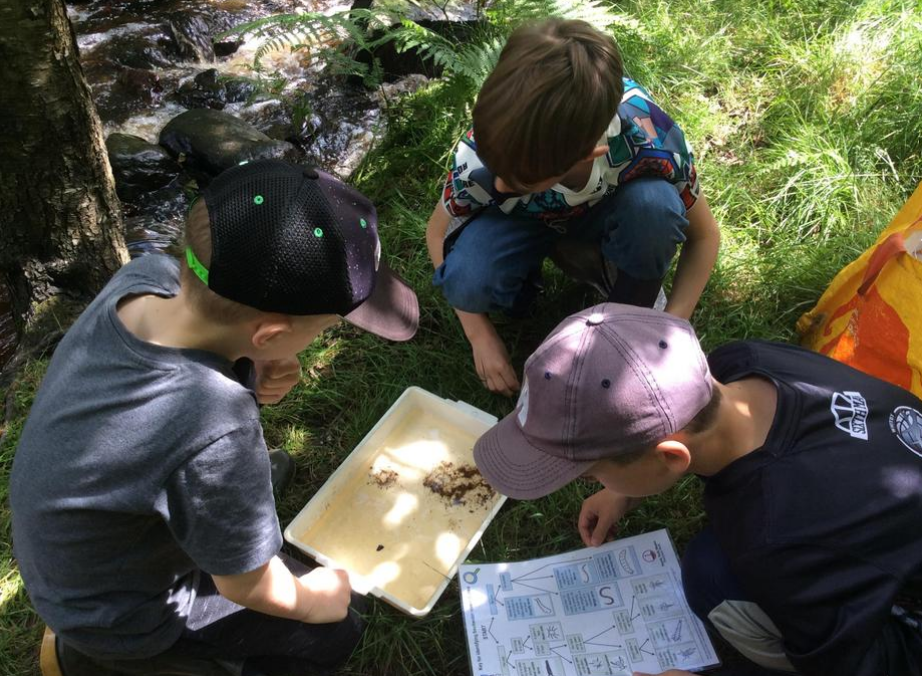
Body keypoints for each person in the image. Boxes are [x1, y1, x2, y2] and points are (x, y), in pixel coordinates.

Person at [10, 160, 419, 675]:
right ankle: (99, 662)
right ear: (270, 334)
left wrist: (253, 364)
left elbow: (190, 400)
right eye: (324, 328)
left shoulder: (146, 278)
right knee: (338, 631)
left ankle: (224, 518)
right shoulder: (216, 431)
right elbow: (247, 585)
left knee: (224, 494)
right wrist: (317, 599)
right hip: (122, 613)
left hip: (81, 548)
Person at [473, 303, 922, 676]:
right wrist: (623, 488)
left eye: (591, 475)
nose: (590, 483)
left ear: (671, 457)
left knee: (710, 578)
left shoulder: (776, 537)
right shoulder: (741, 363)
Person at [426, 19, 720, 396]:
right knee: (466, 276)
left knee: (655, 209)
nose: (498, 185)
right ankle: (524, 290)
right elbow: (437, 232)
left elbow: (705, 237)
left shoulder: (650, 141)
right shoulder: (488, 153)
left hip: (610, 211)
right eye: (495, 168)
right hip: (517, 221)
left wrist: (669, 331)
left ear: (589, 153)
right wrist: (477, 333)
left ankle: (627, 316)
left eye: (519, 179)